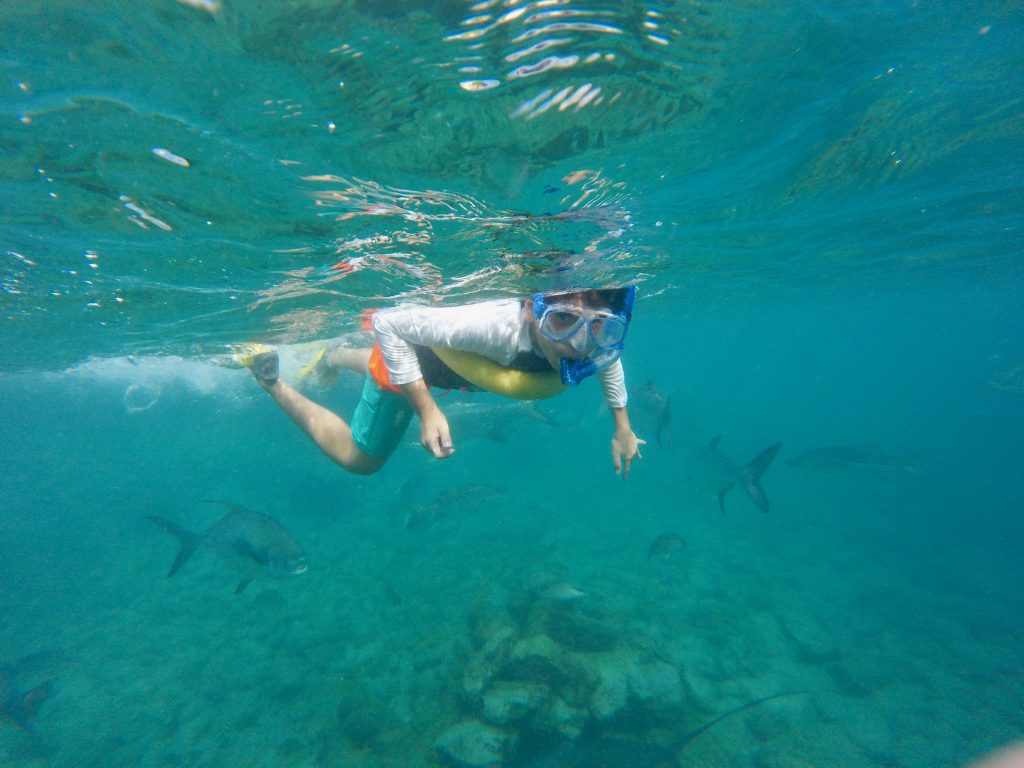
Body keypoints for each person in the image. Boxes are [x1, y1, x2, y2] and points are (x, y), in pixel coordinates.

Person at [240, 286, 645, 477]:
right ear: (528, 311)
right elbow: (389, 324)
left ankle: (332, 354)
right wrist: (427, 408)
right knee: (361, 461)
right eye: (562, 321)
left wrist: (622, 427)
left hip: (449, 368)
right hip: (412, 355)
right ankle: (270, 377)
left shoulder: (590, 342)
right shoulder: (491, 329)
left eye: (600, 328)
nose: (578, 344)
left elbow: (608, 361)